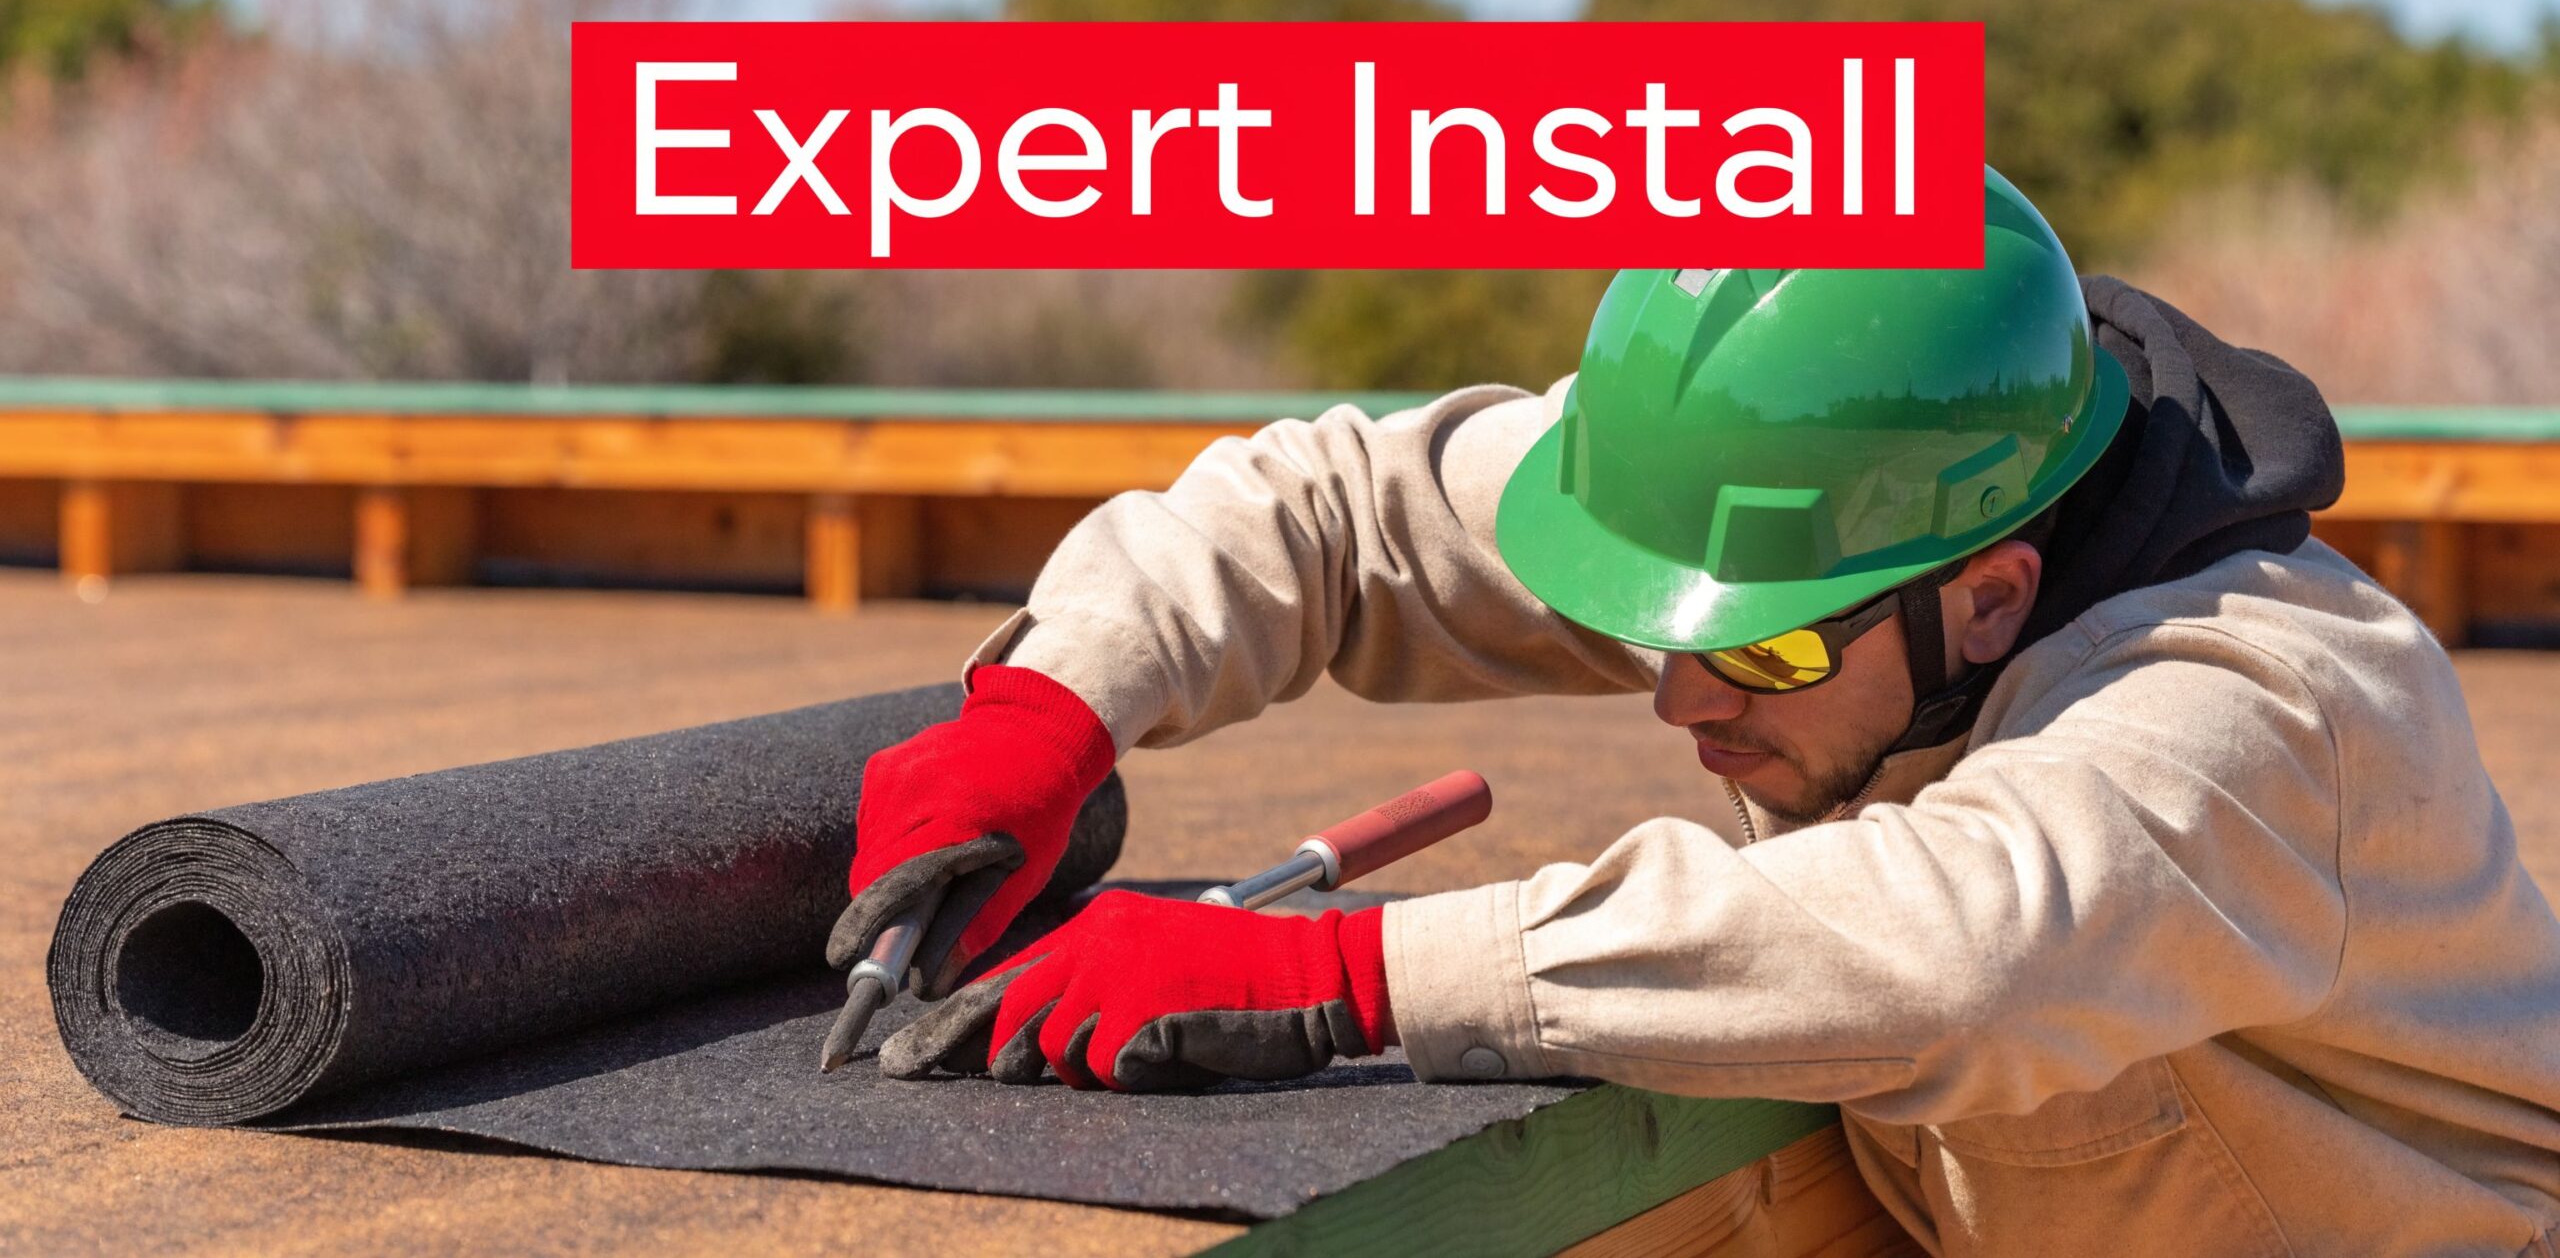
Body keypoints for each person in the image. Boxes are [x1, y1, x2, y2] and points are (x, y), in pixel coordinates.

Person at [827, 168, 2560, 1254]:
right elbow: (1336, 507)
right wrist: (1048, 704)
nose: (1673, 693)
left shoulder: (2265, 705)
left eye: (1769, 654)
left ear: (1992, 598)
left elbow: (1957, 944)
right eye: (1659, 626)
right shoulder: (1788, 481)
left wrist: (1344, 972)